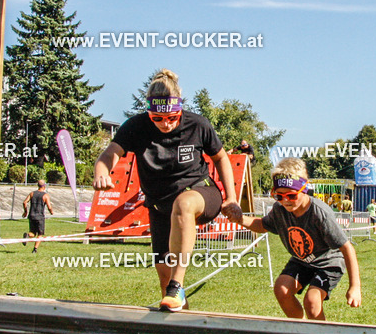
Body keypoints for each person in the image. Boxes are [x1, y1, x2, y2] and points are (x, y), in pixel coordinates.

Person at [93, 69, 241, 311]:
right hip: (160, 205)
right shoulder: (135, 126)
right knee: (164, 281)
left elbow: (222, 158)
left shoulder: (198, 124)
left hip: (201, 192)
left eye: (172, 117)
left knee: (183, 204)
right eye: (158, 119)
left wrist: (231, 198)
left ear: (180, 108)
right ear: (149, 112)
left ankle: (178, 283)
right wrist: (101, 172)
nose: (166, 123)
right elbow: (109, 155)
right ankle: (179, 320)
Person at [228, 158, 361, 320]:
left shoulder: (320, 213)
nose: (285, 201)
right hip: (301, 261)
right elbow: (262, 225)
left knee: (312, 301)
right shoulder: (279, 210)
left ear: (304, 190)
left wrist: (355, 286)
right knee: (281, 289)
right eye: (279, 196)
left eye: (291, 195)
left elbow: (347, 248)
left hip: (328, 263)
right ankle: (301, 330)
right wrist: (240, 219)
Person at [22, 180, 53, 253]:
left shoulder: (32, 193)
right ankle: (35, 249)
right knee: (40, 234)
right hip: (40, 217)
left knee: (32, 233)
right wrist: (51, 212)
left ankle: (28, 235)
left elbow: (24, 202)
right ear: (44, 186)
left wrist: (25, 211)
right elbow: (49, 206)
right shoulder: (45, 195)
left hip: (31, 215)